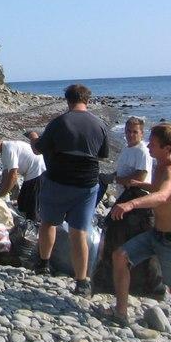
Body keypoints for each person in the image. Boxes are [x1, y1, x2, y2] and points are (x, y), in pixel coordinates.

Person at [106, 123, 171, 338]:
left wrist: (130, 204)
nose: (148, 147)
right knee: (120, 256)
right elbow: (157, 189)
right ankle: (121, 312)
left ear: (166, 148)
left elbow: (162, 196)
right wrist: (141, 184)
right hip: (155, 234)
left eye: (153, 144)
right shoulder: (159, 165)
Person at [31, 83, 109, 297]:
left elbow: (38, 150)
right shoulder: (99, 124)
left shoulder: (59, 122)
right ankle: (81, 281)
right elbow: (103, 155)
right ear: (87, 100)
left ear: (67, 100)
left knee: (48, 223)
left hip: (58, 181)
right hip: (86, 185)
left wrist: (34, 139)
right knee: (79, 233)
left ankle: (43, 263)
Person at [0, 133, 46, 221]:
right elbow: (5, 175)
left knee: (31, 205)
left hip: (37, 170)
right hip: (29, 174)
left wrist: (2, 195)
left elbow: (13, 175)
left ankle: (34, 229)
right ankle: (25, 223)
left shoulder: (8, 148)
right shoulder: (3, 153)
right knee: (22, 202)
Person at [113, 116, 153, 198]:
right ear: (125, 131)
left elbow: (140, 178)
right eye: (128, 131)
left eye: (135, 132)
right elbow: (124, 170)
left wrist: (115, 179)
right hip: (124, 196)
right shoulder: (126, 147)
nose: (131, 134)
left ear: (141, 133)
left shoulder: (142, 152)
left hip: (136, 198)